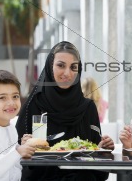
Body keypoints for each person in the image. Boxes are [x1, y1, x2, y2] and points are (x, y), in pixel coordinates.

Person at [16, 41, 114, 181]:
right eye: (61, 65)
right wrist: (23, 146)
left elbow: (98, 164)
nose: (67, 73)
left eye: (73, 67)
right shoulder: (33, 106)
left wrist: (102, 149)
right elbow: (18, 160)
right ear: (50, 66)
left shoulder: (88, 108)